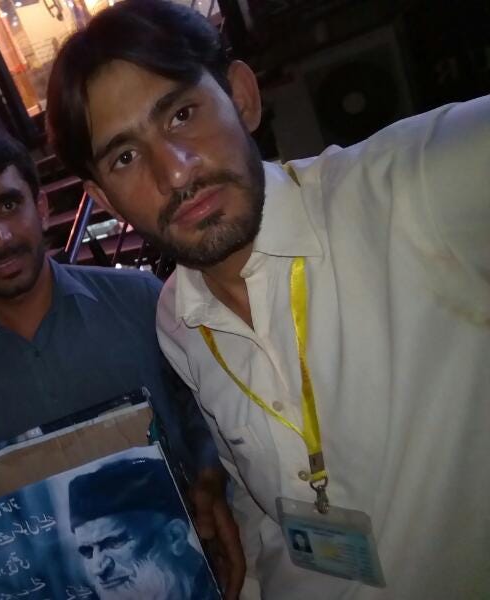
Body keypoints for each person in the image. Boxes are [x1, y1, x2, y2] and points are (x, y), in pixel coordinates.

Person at [45, 1, 490, 598]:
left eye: (181, 114)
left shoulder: (408, 190)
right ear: (104, 200)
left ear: (243, 97)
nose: (174, 173)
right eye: (125, 157)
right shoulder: (177, 317)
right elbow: (258, 500)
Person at [0, 125, 243, 592]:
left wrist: (209, 474)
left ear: (41, 206)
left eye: (8, 205)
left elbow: (203, 403)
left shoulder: (143, 300)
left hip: (194, 565)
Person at [68, 457, 218, 600]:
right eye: (87, 552)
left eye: (114, 543)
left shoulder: (222, 583)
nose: (98, 569)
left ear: (175, 536)